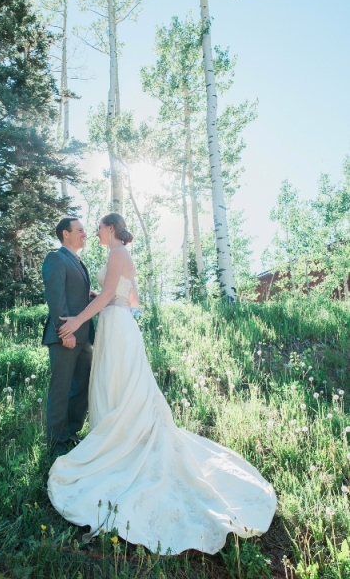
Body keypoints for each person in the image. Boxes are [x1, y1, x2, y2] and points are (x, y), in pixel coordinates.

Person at [47, 213, 277, 555]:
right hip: (122, 325)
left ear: (110, 228)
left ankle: (116, 441)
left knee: (117, 386)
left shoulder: (115, 253)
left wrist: (82, 316)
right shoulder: (124, 254)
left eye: (97, 227)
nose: (93, 232)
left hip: (114, 327)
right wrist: (109, 300)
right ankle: (121, 434)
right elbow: (131, 300)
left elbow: (111, 292)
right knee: (124, 387)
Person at [42, 217, 95, 458]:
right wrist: (66, 332)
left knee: (82, 386)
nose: (85, 234)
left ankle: (71, 432)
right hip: (66, 335)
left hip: (85, 337)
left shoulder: (78, 262)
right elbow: (56, 297)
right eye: (80, 230)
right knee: (61, 389)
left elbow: (78, 296)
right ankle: (56, 443)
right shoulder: (55, 258)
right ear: (66, 233)